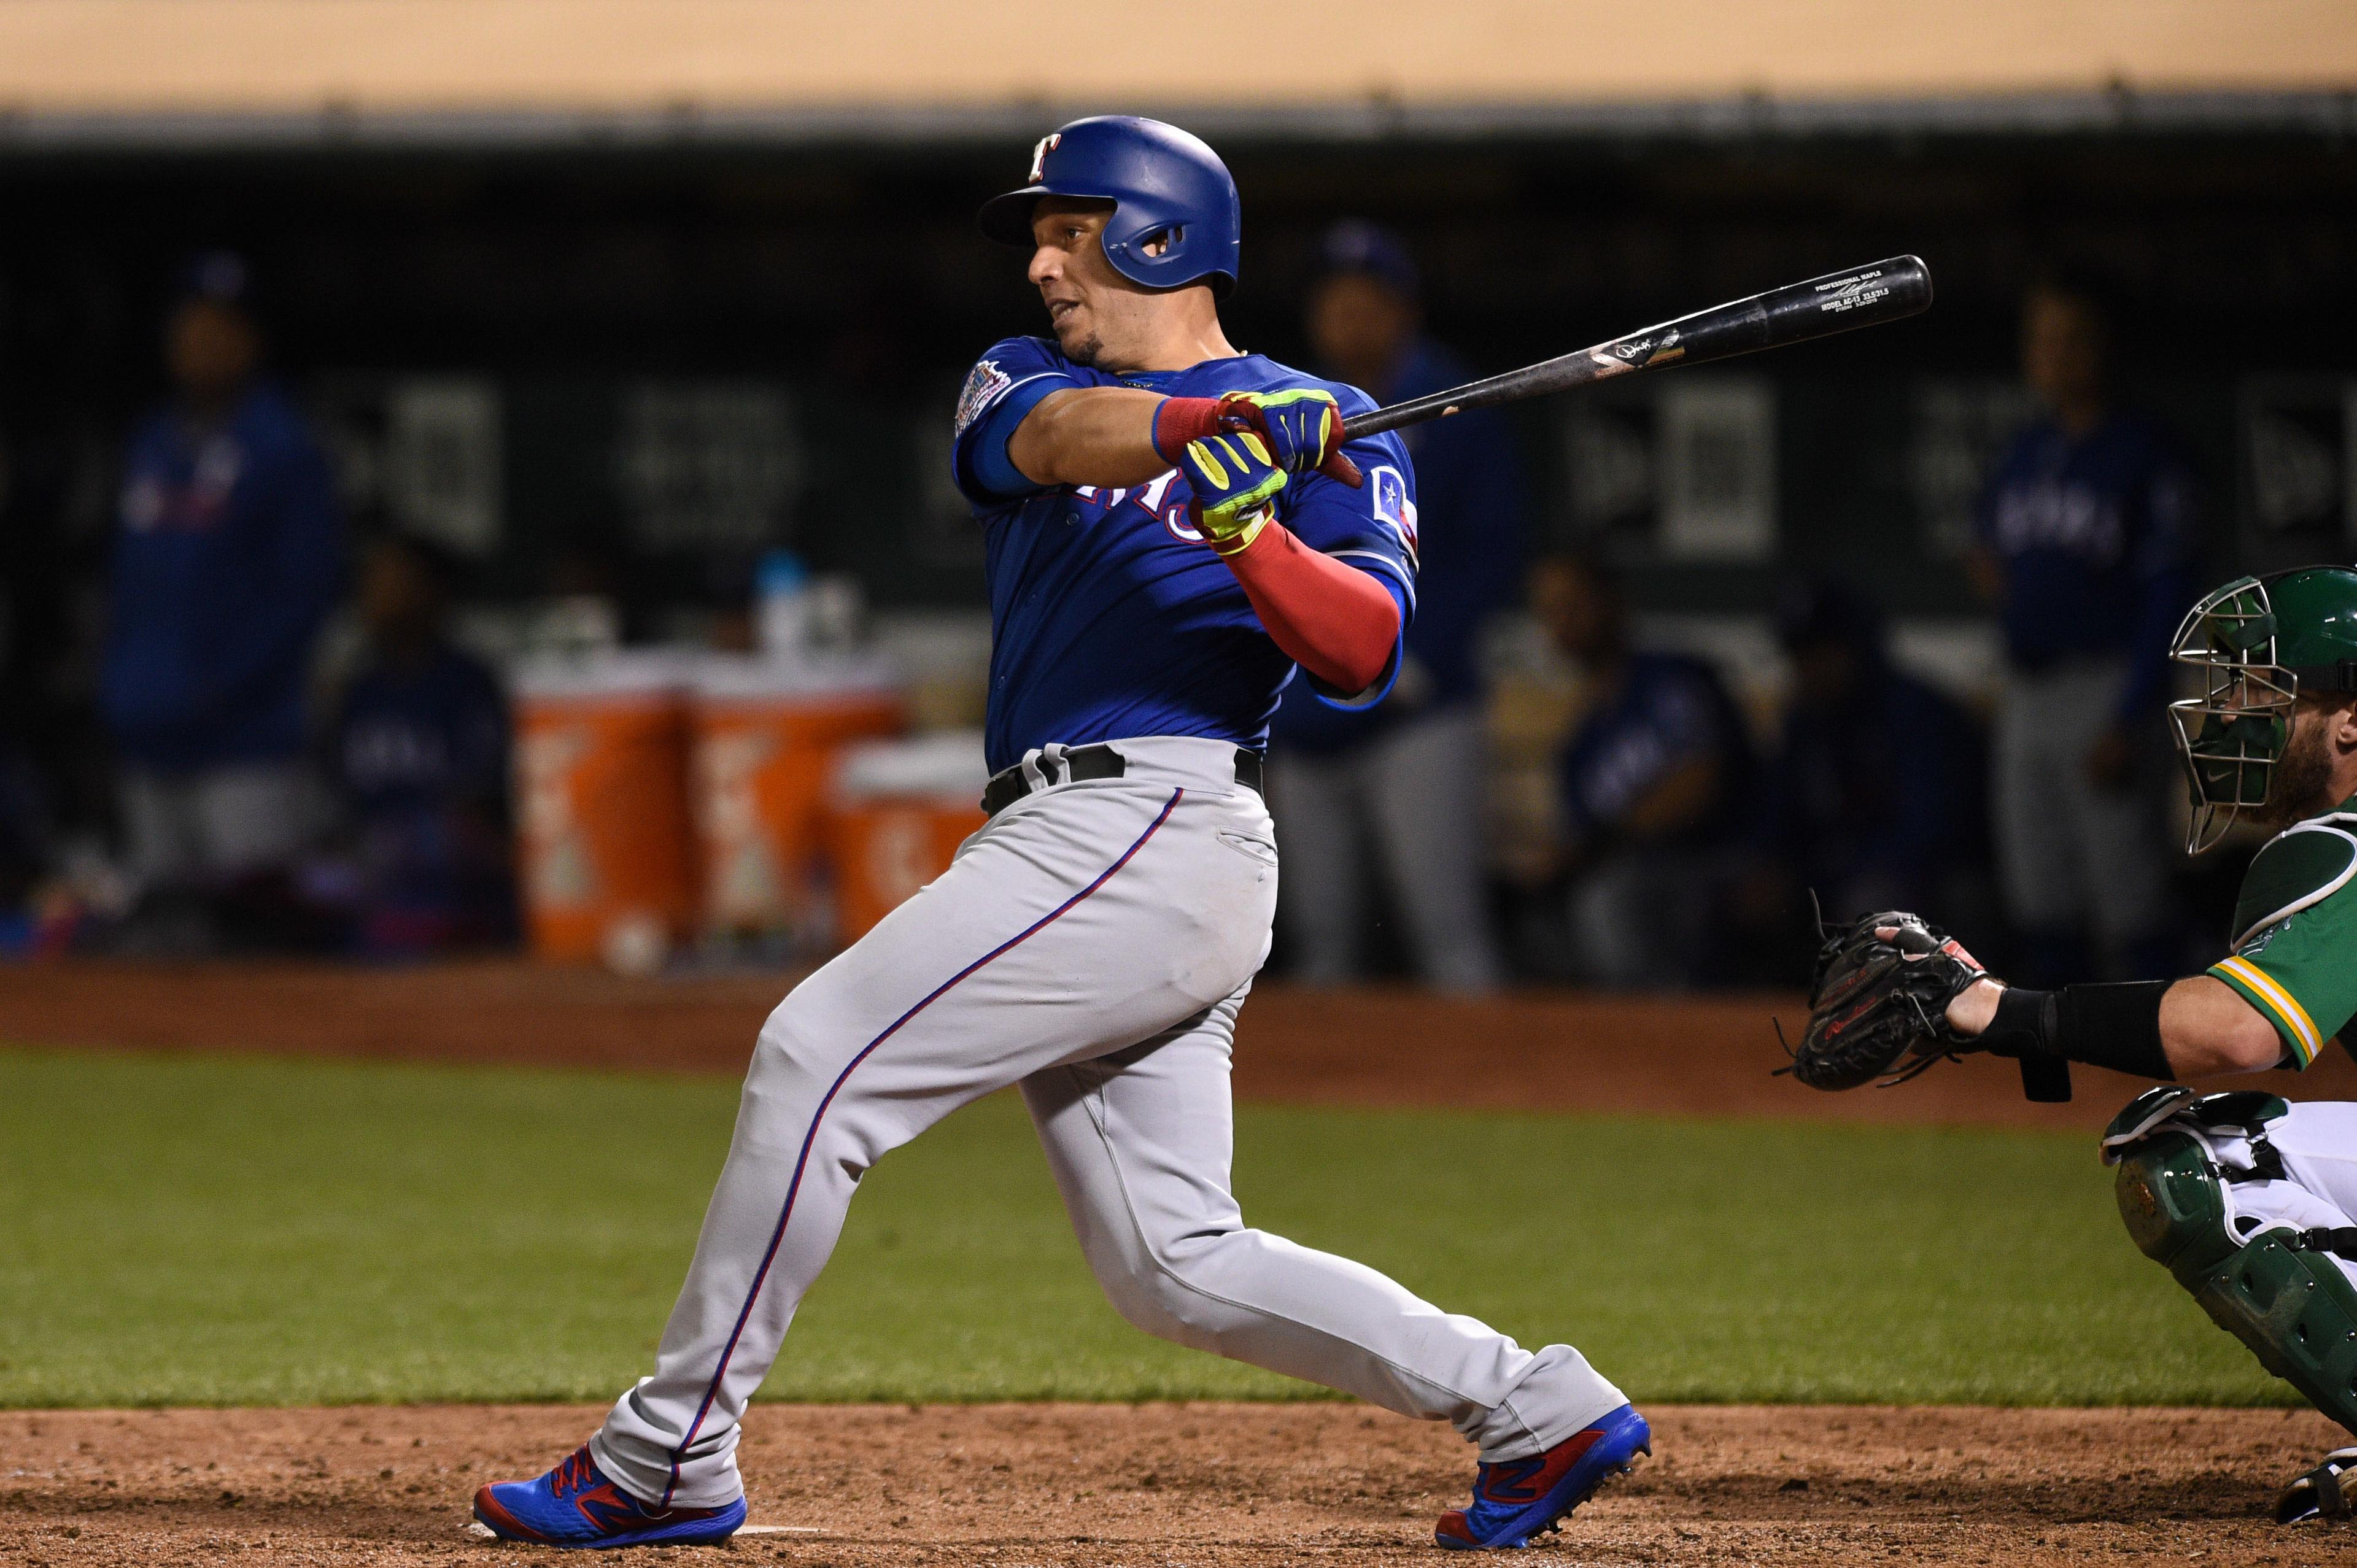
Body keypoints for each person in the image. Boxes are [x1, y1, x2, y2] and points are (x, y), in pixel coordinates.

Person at [471, 117, 1648, 1554]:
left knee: (812, 1060)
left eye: (1065, 229)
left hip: (1153, 822)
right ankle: (1533, 1407)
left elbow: (1365, 654)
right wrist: (1203, 431)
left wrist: (1255, 538)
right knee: (1173, 1264)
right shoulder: (1033, 378)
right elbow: (1041, 443)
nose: (1037, 263)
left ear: (1156, 232)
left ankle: (668, 1457)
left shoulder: (1330, 421)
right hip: (1080, 839)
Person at [1793, 565, 2357, 1520]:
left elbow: (2234, 1031)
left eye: (2266, 696)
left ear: (2351, 723)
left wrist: (2000, 1010)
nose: (2232, 722)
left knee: (2199, 1162)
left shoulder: (2341, 843)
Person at [1264, 223, 1522, 992]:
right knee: (1322, 945)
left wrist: (1414, 661)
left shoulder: (1458, 404)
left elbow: (1494, 554)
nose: (1346, 316)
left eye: (1365, 300)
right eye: (1331, 300)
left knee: (1448, 935)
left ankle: (1499, 1103)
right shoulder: (1286, 407)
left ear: (1403, 309)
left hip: (1421, 711)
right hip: (1309, 721)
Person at [100, 252, 346, 911]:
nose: (200, 342)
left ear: (251, 342)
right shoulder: (154, 441)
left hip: (245, 746)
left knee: (252, 939)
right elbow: (128, 588)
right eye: (189, 325)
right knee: (159, 943)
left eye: (220, 328)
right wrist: (126, 685)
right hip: (148, 738)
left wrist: (217, 687)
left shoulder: (284, 446)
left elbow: (305, 593)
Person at [1972, 272, 2199, 982]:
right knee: (2041, 897)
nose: (2053, 354)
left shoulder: (2148, 452)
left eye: (2071, 338)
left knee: (2130, 900)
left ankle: (2164, 1071)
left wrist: (2130, 714)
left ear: (2106, 347)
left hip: (2106, 685)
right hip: (2029, 689)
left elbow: (2170, 592)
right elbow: (1986, 547)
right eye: (2042, 339)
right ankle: (2053, 1082)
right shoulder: (2024, 450)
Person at [1526, 550, 1749, 987]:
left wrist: (1607, 837)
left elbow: (1699, 787)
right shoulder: (1581, 744)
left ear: (1612, 600)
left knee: (1608, 900)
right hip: (1639, 876)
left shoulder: (1673, 681)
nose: (1564, 621)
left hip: (1716, 859)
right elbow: (1578, 840)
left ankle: (1661, 1032)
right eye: (1551, 610)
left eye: (1575, 603)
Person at [1754, 576, 1983, 932]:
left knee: (1874, 902)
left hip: (1921, 878)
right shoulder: (1804, 720)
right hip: (1834, 874)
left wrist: (1833, 873)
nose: (1809, 669)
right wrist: (1772, 866)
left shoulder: (1917, 713)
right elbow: (1780, 818)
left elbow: (1930, 834)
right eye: (1799, 655)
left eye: (1822, 652)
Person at [327, 533, 514, 954]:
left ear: (433, 593)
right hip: (372, 878)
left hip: (453, 878)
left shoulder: (468, 683)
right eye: (373, 585)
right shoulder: (360, 690)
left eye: (396, 584)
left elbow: (480, 816)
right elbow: (341, 805)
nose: (380, 598)